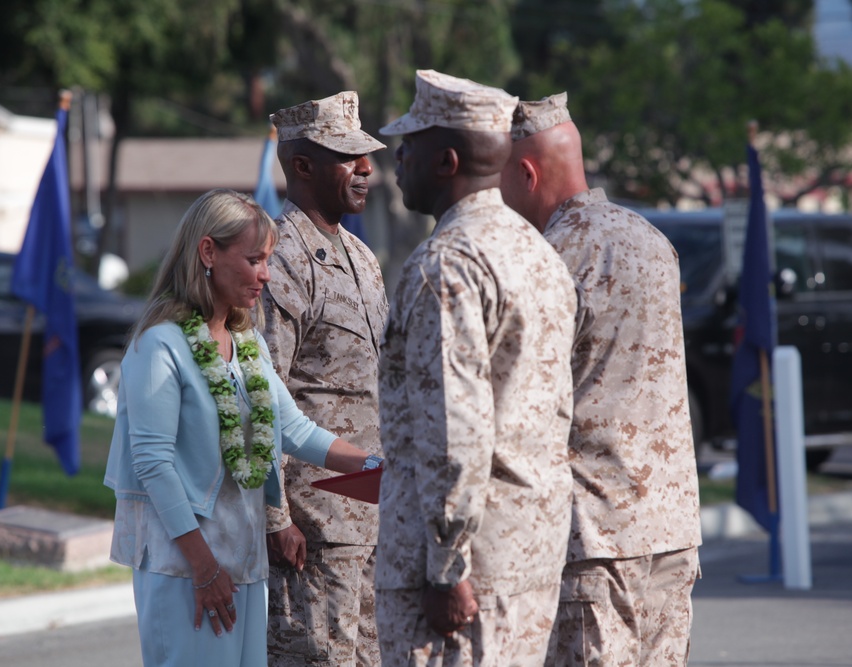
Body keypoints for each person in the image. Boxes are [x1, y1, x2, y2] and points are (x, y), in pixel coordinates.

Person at [103, 188, 373, 667]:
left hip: (243, 564)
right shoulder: (160, 345)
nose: (265, 275)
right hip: (185, 567)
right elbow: (152, 463)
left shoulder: (247, 344)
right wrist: (204, 568)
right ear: (208, 252)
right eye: (254, 260)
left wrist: (376, 467)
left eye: (267, 260)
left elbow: (295, 428)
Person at [375, 69, 579, 667]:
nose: (397, 157)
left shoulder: (448, 265)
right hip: (526, 556)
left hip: (462, 579)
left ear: (446, 161)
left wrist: (445, 567)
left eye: (409, 144)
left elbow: (453, 432)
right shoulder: (537, 251)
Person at [500, 93, 702, 667]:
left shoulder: (548, 258)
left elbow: (518, 404)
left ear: (527, 171)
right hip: (670, 528)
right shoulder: (652, 241)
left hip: (592, 541)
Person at [261, 91, 388, 666]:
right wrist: (275, 517)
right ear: (302, 165)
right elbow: (260, 398)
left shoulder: (362, 256)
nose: (366, 168)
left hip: (374, 515)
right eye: (348, 156)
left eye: (367, 155)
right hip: (314, 529)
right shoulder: (279, 257)